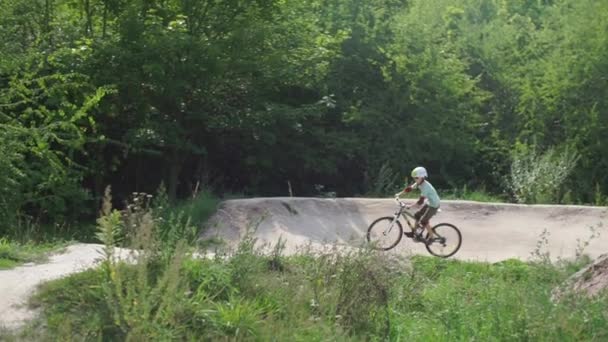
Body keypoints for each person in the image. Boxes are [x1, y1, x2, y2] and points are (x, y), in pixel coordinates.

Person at [394, 166, 440, 242]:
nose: (415, 179)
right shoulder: (419, 183)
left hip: (434, 205)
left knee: (423, 221)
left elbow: (420, 202)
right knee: (417, 216)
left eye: (416, 178)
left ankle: (432, 237)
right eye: (414, 178)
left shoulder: (426, 187)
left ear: (422, 177)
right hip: (429, 203)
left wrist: (409, 206)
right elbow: (409, 189)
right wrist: (399, 194)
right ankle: (414, 233)